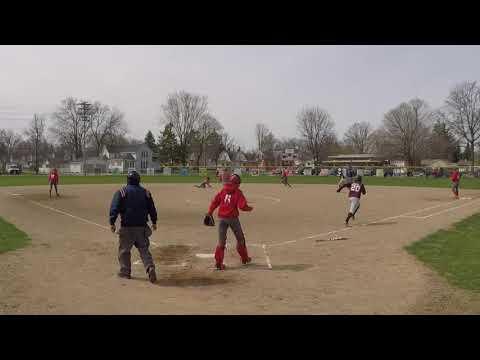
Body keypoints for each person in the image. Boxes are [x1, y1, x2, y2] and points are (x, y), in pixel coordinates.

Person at [109, 170, 158, 283]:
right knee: (144, 250)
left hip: (127, 227)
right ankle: (150, 267)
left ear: (128, 180)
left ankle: (125, 272)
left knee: (124, 250)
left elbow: (114, 208)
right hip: (142, 227)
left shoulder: (122, 192)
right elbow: (152, 208)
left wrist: (112, 222)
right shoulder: (146, 192)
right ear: (138, 180)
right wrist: (154, 222)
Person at [205, 174, 253, 270]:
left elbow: (215, 201)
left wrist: (209, 212)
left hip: (222, 218)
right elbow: (242, 206)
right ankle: (244, 258)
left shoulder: (223, 190)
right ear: (237, 183)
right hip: (233, 219)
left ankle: (218, 263)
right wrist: (249, 208)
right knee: (240, 239)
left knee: (221, 242)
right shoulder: (238, 192)